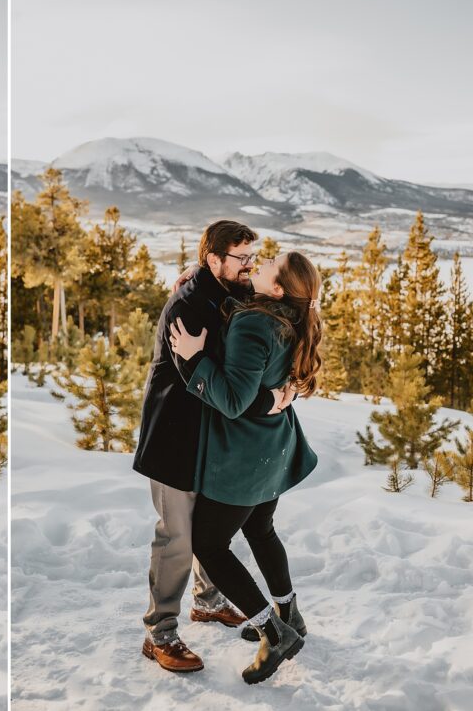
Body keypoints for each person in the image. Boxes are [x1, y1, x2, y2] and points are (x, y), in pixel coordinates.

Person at [132, 220, 295, 673]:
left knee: (209, 524)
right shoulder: (187, 306)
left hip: (213, 440)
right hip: (176, 439)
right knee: (177, 536)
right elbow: (215, 388)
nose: (250, 266)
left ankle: (207, 601)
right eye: (241, 258)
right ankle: (160, 633)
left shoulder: (231, 290)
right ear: (215, 259)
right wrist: (269, 401)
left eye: (252, 257)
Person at [170, 251, 321, 684]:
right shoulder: (289, 317)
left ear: (277, 288)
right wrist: (197, 275)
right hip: (273, 448)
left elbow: (234, 400)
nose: (264, 260)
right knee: (259, 528)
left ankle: (274, 632)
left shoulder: (255, 323)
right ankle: (289, 613)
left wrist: (194, 359)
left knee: (209, 544)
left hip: (245, 456)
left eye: (272, 262)